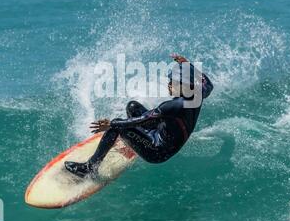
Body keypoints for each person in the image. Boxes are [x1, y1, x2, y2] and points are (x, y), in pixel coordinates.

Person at [65, 54, 213, 178]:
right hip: (164, 132)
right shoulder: (197, 94)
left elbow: (142, 120)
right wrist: (188, 65)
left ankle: (90, 168)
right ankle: (131, 143)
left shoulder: (171, 106)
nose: (168, 84)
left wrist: (111, 125)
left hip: (158, 151)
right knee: (132, 106)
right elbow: (209, 85)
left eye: (172, 82)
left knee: (118, 125)